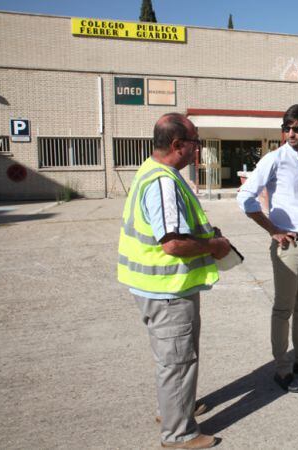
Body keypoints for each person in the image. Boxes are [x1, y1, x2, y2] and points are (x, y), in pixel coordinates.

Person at [118, 113, 231, 449]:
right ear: (178, 144)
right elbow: (172, 243)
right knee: (178, 360)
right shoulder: (164, 182)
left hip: (154, 287)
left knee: (171, 357)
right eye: (195, 142)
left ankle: (173, 408)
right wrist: (215, 246)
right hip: (167, 291)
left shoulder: (150, 169)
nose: (198, 149)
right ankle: (178, 434)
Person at [237, 104, 298, 394]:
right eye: (287, 128)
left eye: (296, 128)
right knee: (283, 309)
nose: (290, 133)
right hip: (288, 245)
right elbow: (245, 197)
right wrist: (273, 229)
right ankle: (282, 368)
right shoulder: (275, 159)